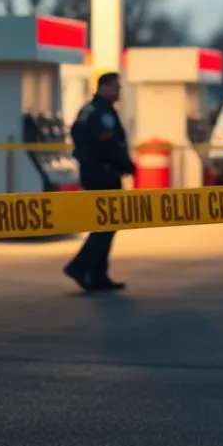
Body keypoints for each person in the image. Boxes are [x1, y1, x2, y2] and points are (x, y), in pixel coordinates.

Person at [65, 72, 136, 292]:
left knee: (107, 225)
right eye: (116, 87)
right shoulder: (99, 112)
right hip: (102, 176)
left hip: (103, 174)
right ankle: (80, 266)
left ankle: (98, 274)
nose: (119, 92)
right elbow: (107, 146)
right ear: (104, 87)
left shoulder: (95, 110)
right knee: (105, 226)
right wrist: (122, 165)